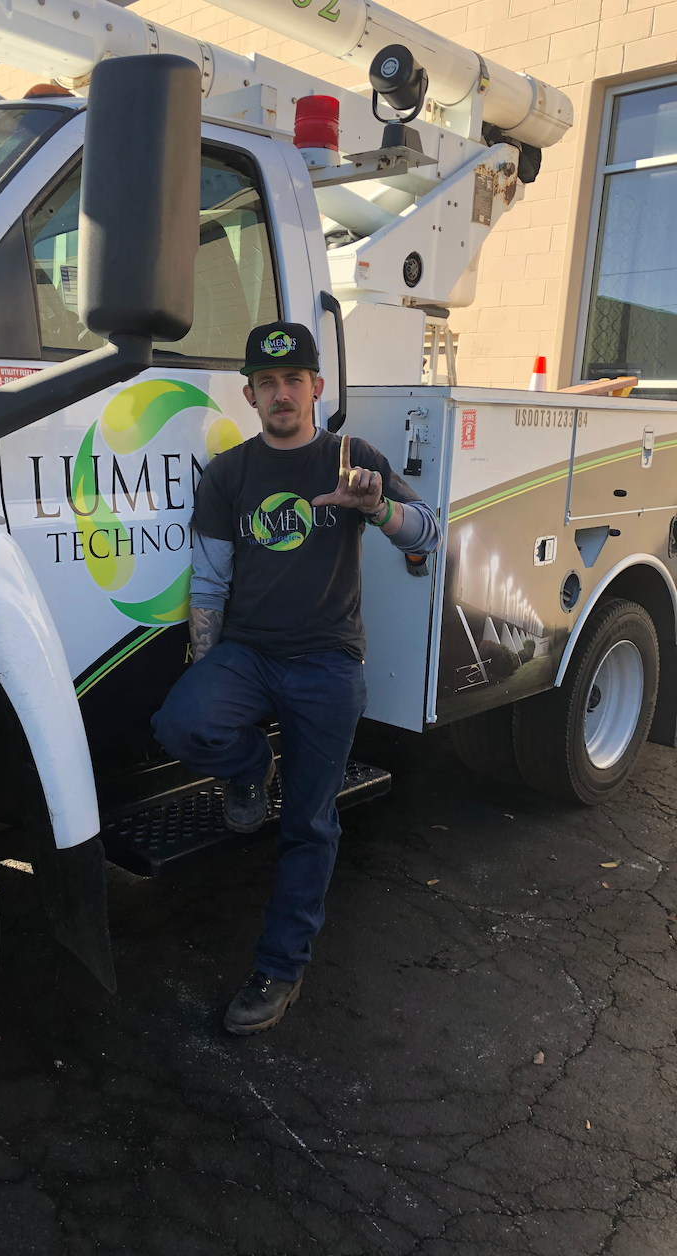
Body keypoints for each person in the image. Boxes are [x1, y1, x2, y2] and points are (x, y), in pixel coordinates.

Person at [151, 321, 441, 1035]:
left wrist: (377, 508)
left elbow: (428, 532)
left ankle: (281, 967)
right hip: (248, 653)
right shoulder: (230, 473)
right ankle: (252, 768)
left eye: (294, 380)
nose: (281, 394)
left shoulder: (353, 459)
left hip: (328, 662)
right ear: (250, 395)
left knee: (310, 824)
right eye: (267, 382)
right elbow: (210, 584)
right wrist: (210, 669)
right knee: (181, 724)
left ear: (317, 387)